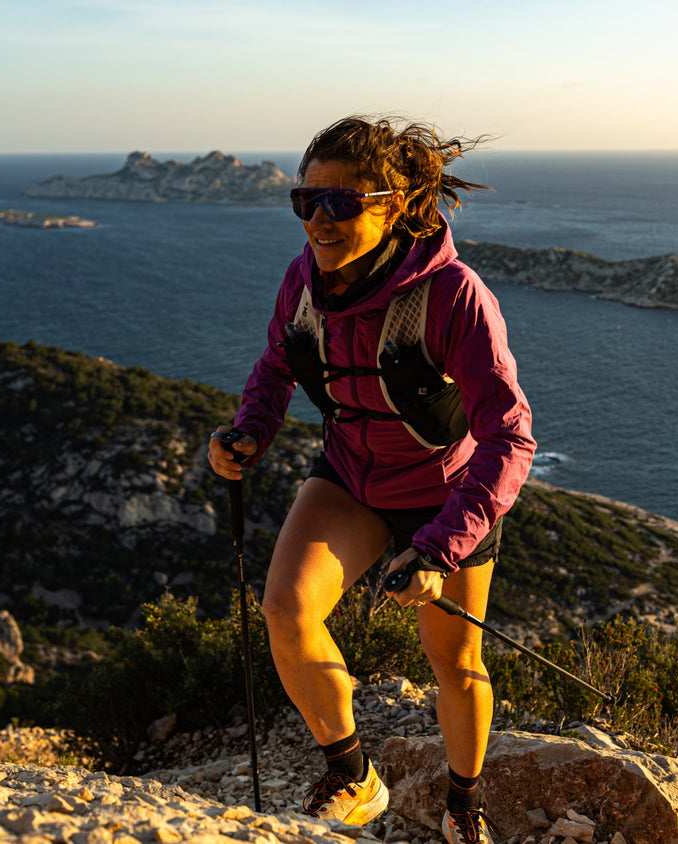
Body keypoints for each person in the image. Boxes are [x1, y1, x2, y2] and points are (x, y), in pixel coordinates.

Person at [206, 115, 535, 844]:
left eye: (341, 202)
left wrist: (441, 547)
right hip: (350, 474)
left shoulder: (453, 295)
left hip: (445, 497)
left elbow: (510, 437)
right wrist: (249, 431)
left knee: (455, 662)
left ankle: (463, 804)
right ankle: (354, 776)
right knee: (285, 610)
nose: (318, 220)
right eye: (306, 201)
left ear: (398, 206)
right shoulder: (302, 281)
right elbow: (277, 367)